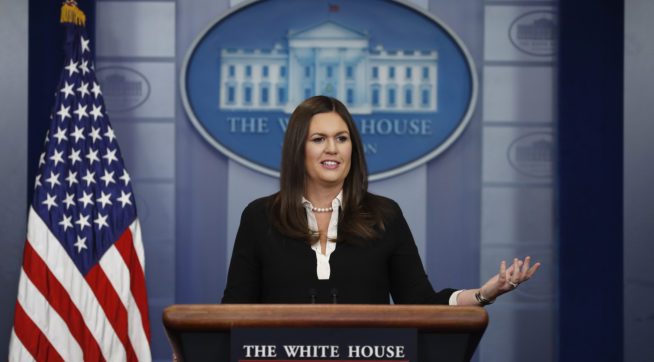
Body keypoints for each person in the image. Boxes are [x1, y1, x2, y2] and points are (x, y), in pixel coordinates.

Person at [222, 95, 540, 305]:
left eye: (341, 139)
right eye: (319, 139)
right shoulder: (259, 216)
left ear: (353, 149)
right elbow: (234, 308)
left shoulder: (384, 215)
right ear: (297, 149)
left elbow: (419, 303)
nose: (332, 148)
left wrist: (486, 293)